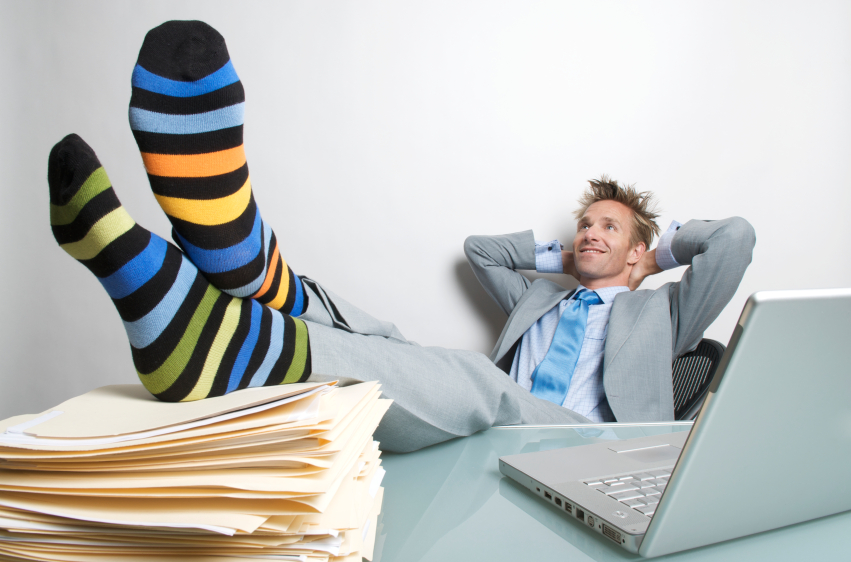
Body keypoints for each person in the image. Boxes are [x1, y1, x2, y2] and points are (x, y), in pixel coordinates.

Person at [46, 20, 755, 453]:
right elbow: (482, 250)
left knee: (477, 378)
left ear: (640, 250)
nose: (588, 233)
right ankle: (252, 271)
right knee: (387, 339)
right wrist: (567, 259)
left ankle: (227, 329)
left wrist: (651, 260)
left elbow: (733, 240)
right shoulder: (543, 301)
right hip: (497, 426)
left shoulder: (662, 313)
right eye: (581, 225)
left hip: (582, 446)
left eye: (608, 228)